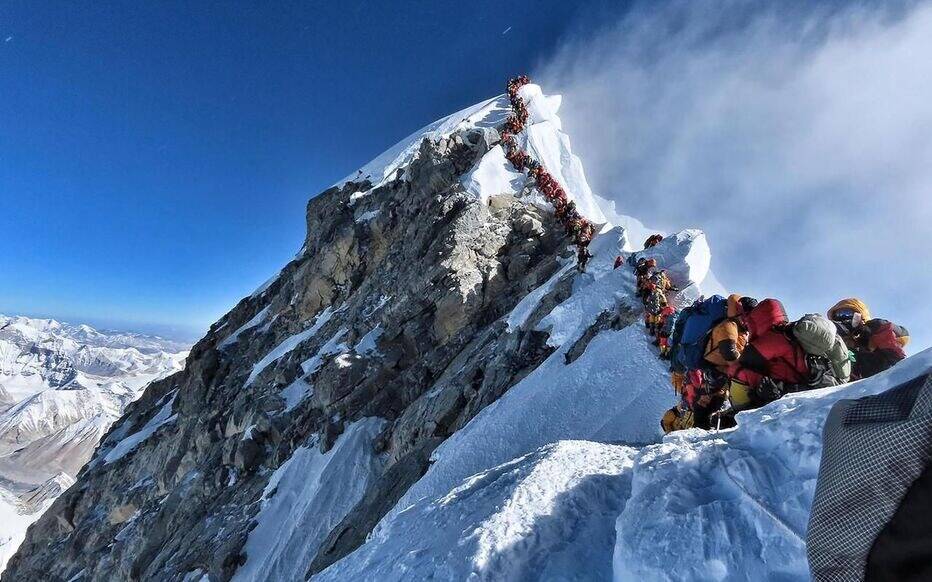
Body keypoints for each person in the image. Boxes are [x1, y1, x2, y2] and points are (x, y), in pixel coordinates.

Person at [728, 298, 809, 410]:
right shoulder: (785, 332)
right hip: (794, 383)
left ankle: (739, 410)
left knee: (737, 370)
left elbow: (747, 358)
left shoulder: (774, 337)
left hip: (789, 387)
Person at [828, 298, 909, 379]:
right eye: (838, 315)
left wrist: (876, 327)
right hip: (849, 387)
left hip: (885, 381)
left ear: (860, 316)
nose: (842, 318)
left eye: (847, 313)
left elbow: (902, 336)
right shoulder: (833, 343)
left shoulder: (875, 333)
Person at [703, 295, 756, 374]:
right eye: (749, 315)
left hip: (721, 366)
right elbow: (730, 354)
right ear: (740, 311)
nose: (750, 319)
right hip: (714, 368)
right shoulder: (729, 326)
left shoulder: (741, 330)